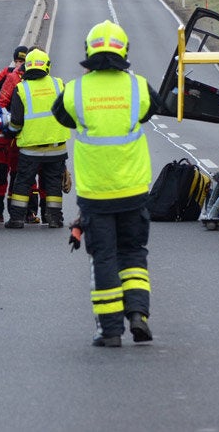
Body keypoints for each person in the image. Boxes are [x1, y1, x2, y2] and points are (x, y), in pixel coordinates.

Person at [52, 20, 160, 348]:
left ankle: (110, 330)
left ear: (89, 51)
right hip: (133, 190)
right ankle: (138, 313)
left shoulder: (76, 90)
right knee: (133, 253)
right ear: (124, 51)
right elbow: (150, 112)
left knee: (104, 258)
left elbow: (62, 116)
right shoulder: (137, 86)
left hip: (95, 194)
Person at [3, 49, 70, 229]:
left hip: (31, 148)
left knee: (23, 183)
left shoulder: (22, 88)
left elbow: (16, 122)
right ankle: (55, 219)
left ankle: (17, 219)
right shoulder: (59, 84)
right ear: (47, 66)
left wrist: (9, 132)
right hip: (57, 147)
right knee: (54, 184)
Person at [0, 45, 29, 224]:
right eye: (18, 61)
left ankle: (21, 213)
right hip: (10, 133)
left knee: (20, 175)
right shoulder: (10, 75)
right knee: (2, 174)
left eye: (23, 61)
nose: (20, 64)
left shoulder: (34, 79)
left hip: (24, 134)